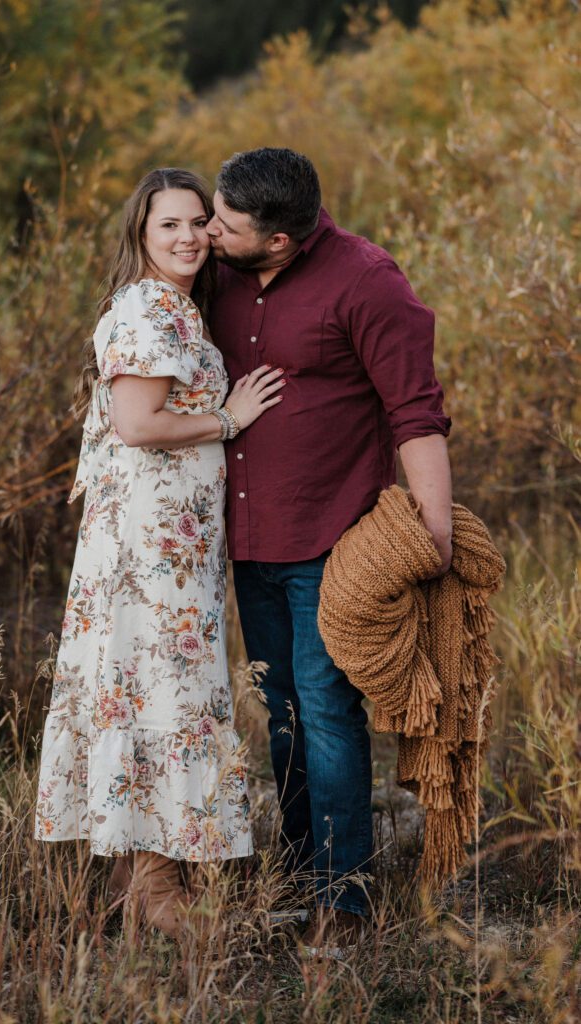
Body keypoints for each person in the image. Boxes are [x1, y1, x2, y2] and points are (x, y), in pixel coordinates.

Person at [206, 147, 453, 954]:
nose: (211, 230)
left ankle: (342, 901)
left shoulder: (366, 281)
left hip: (330, 540)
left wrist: (434, 532)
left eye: (228, 224)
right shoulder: (215, 271)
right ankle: (299, 871)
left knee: (326, 713)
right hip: (245, 540)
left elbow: (414, 411)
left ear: (280, 240)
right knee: (278, 716)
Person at [34, 167, 285, 940]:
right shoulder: (151, 309)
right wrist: (230, 418)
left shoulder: (172, 307)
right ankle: (160, 886)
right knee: (164, 693)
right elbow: (138, 425)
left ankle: (126, 886)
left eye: (196, 222)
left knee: (135, 687)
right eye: (167, 225)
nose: (185, 237)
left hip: (159, 541)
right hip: (151, 549)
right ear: (141, 235)